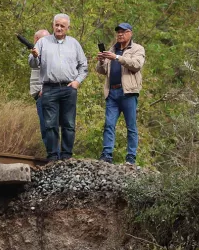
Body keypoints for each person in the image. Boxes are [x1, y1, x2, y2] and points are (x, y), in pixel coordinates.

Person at [29, 14, 89, 161]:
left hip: (69, 88)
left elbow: (84, 66)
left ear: (68, 28)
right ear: (53, 25)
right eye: (57, 25)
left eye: (62, 26)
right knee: (50, 124)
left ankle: (67, 155)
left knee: (68, 123)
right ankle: (53, 156)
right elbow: (32, 63)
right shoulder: (43, 42)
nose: (59, 28)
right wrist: (35, 56)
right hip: (49, 88)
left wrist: (77, 82)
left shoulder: (74, 44)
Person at [96, 22, 146, 165]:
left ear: (130, 33)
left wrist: (117, 58)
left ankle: (130, 158)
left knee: (131, 127)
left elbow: (136, 65)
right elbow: (101, 71)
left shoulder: (137, 49)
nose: (120, 34)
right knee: (109, 125)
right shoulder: (112, 49)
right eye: (118, 32)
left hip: (128, 93)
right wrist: (101, 61)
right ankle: (106, 156)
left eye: (123, 32)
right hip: (112, 92)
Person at [29, 29, 50, 150]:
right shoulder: (35, 52)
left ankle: (54, 154)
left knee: (48, 126)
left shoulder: (48, 52)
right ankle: (53, 153)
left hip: (45, 93)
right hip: (39, 94)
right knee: (45, 126)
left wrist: (44, 89)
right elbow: (33, 63)